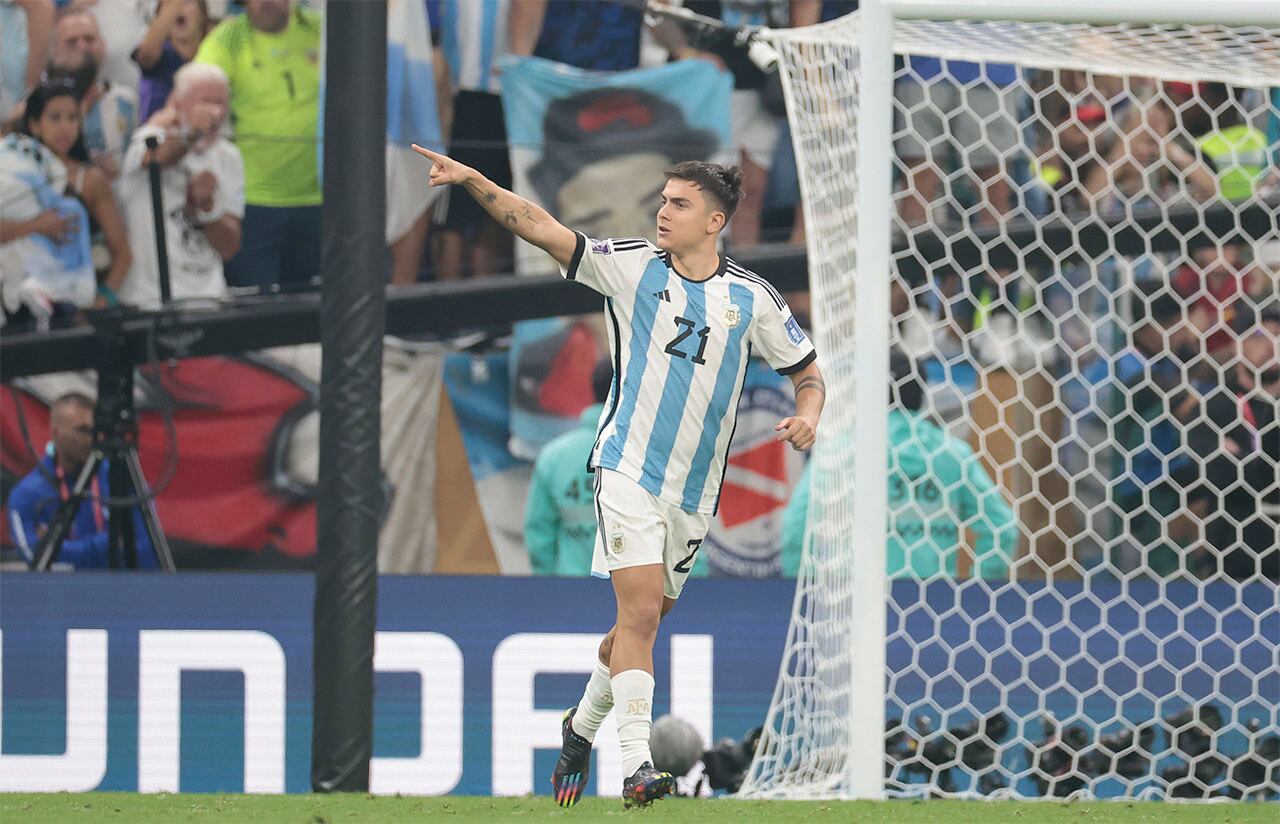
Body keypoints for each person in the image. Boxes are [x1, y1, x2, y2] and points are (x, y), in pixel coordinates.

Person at [411, 144, 824, 806]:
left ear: (714, 222)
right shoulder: (629, 267)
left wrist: (808, 413)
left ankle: (580, 725)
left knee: (638, 628)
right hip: (627, 467)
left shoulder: (752, 300)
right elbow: (538, 225)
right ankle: (636, 766)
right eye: (662, 199)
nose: (663, 211)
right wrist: (472, 180)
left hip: (693, 496)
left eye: (679, 203)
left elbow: (806, 373)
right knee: (636, 613)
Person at [780, 351, 1018, 579]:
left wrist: (798, 587)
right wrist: (977, 588)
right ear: (922, 392)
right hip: (936, 603)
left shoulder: (841, 451)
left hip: (857, 601)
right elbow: (1002, 529)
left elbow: (795, 528)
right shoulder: (952, 453)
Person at [195, 0, 322, 291]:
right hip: (253, 202)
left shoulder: (318, 28)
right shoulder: (228, 40)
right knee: (256, 315)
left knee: (318, 315)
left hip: (321, 198)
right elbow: (195, 90)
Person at [116, 62, 243, 309]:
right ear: (177, 102)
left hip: (209, 299)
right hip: (149, 301)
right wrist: (190, 134)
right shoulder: (148, 139)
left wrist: (208, 207)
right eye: (206, 102)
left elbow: (229, 247)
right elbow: (156, 160)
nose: (216, 113)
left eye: (221, 103)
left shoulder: (229, 156)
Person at [12, 78, 132, 312]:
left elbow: (123, 255)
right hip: (19, 299)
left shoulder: (90, 180)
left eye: (73, 118)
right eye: (55, 118)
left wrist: (102, 300)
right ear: (35, 124)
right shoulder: (12, 174)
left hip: (75, 300)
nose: (65, 127)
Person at [6, 393, 158, 569]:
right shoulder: (26, 494)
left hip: (123, 592)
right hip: (65, 595)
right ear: (55, 433)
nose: (90, 440)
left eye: (95, 431)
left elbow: (147, 550)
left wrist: (63, 548)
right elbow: (36, 558)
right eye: (82, 430)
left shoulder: (123, 479)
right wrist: (108, 543)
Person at [524, 359, 614, 576]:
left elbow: (539, 534)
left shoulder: (554, 456)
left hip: (570, 595)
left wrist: (551, 588)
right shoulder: (650, 455)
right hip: (640, 598)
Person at [46, 10, 139, 180]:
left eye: (89, 39)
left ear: (103, 45)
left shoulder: (126, 100)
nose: (82, 47)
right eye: (71, 42)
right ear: (54, 50)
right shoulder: (38, 103)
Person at [133, 0, 213, 122]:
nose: (178, 8)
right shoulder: (160, 55)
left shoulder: (214, 54)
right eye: (168, 5)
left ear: (202, 14)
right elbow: (145, 55)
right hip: (158, 136)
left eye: (186, 2)